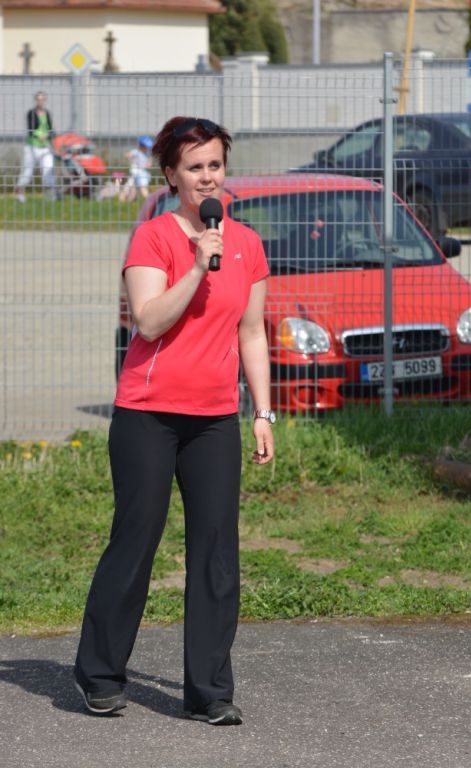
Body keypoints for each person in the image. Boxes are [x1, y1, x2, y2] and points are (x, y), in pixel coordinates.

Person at [73, 116, 275, 726]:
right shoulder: (154, 237)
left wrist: (263, 412)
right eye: (194, 167)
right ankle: (100, 676)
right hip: (148, 415)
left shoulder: (247, 243)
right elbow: (149, 320)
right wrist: (195, 266)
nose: (207, 177)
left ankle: (209, 692)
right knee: (136, 540)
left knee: (216, 552)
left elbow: (252, 334)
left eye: (215, 164)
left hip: (214, 420)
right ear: (170, 175)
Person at [15, 91, 56, 202]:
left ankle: (49, 195)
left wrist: (48, 135)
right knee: (27, 172)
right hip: (32, 147)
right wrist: (39, 135)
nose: (40, 102)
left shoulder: (47, 113)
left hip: (45, 147)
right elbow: (31, 129)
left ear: (45, 101)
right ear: (36, 101)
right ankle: (19, 194)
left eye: (42, 100)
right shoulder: (31, 113)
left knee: (48, 170)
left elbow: (51, 129)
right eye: (38, 100)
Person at [119, 134, 153, 202]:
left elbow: (149, 165)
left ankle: (149, 201)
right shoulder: (136, 152)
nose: (146, 149)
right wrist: (128, 156)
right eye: (145, 147)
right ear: (141, 146)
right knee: (128, 187)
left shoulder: (146, 155)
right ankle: (122, 200)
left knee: (142, 187)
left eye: (147, 148)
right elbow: (128, 155)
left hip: (141, 173)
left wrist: (148, 165)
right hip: (134, 172)